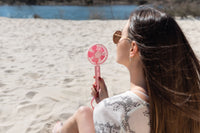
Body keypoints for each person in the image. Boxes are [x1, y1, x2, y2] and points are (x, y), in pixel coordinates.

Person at [52, 6, 200, 133]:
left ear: (132, 49)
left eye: (119, 36)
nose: (116, 42)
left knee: (83, 113)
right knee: (84, 112)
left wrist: (108, 107)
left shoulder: (111, 110)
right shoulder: (186, 103)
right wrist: (108, 103)